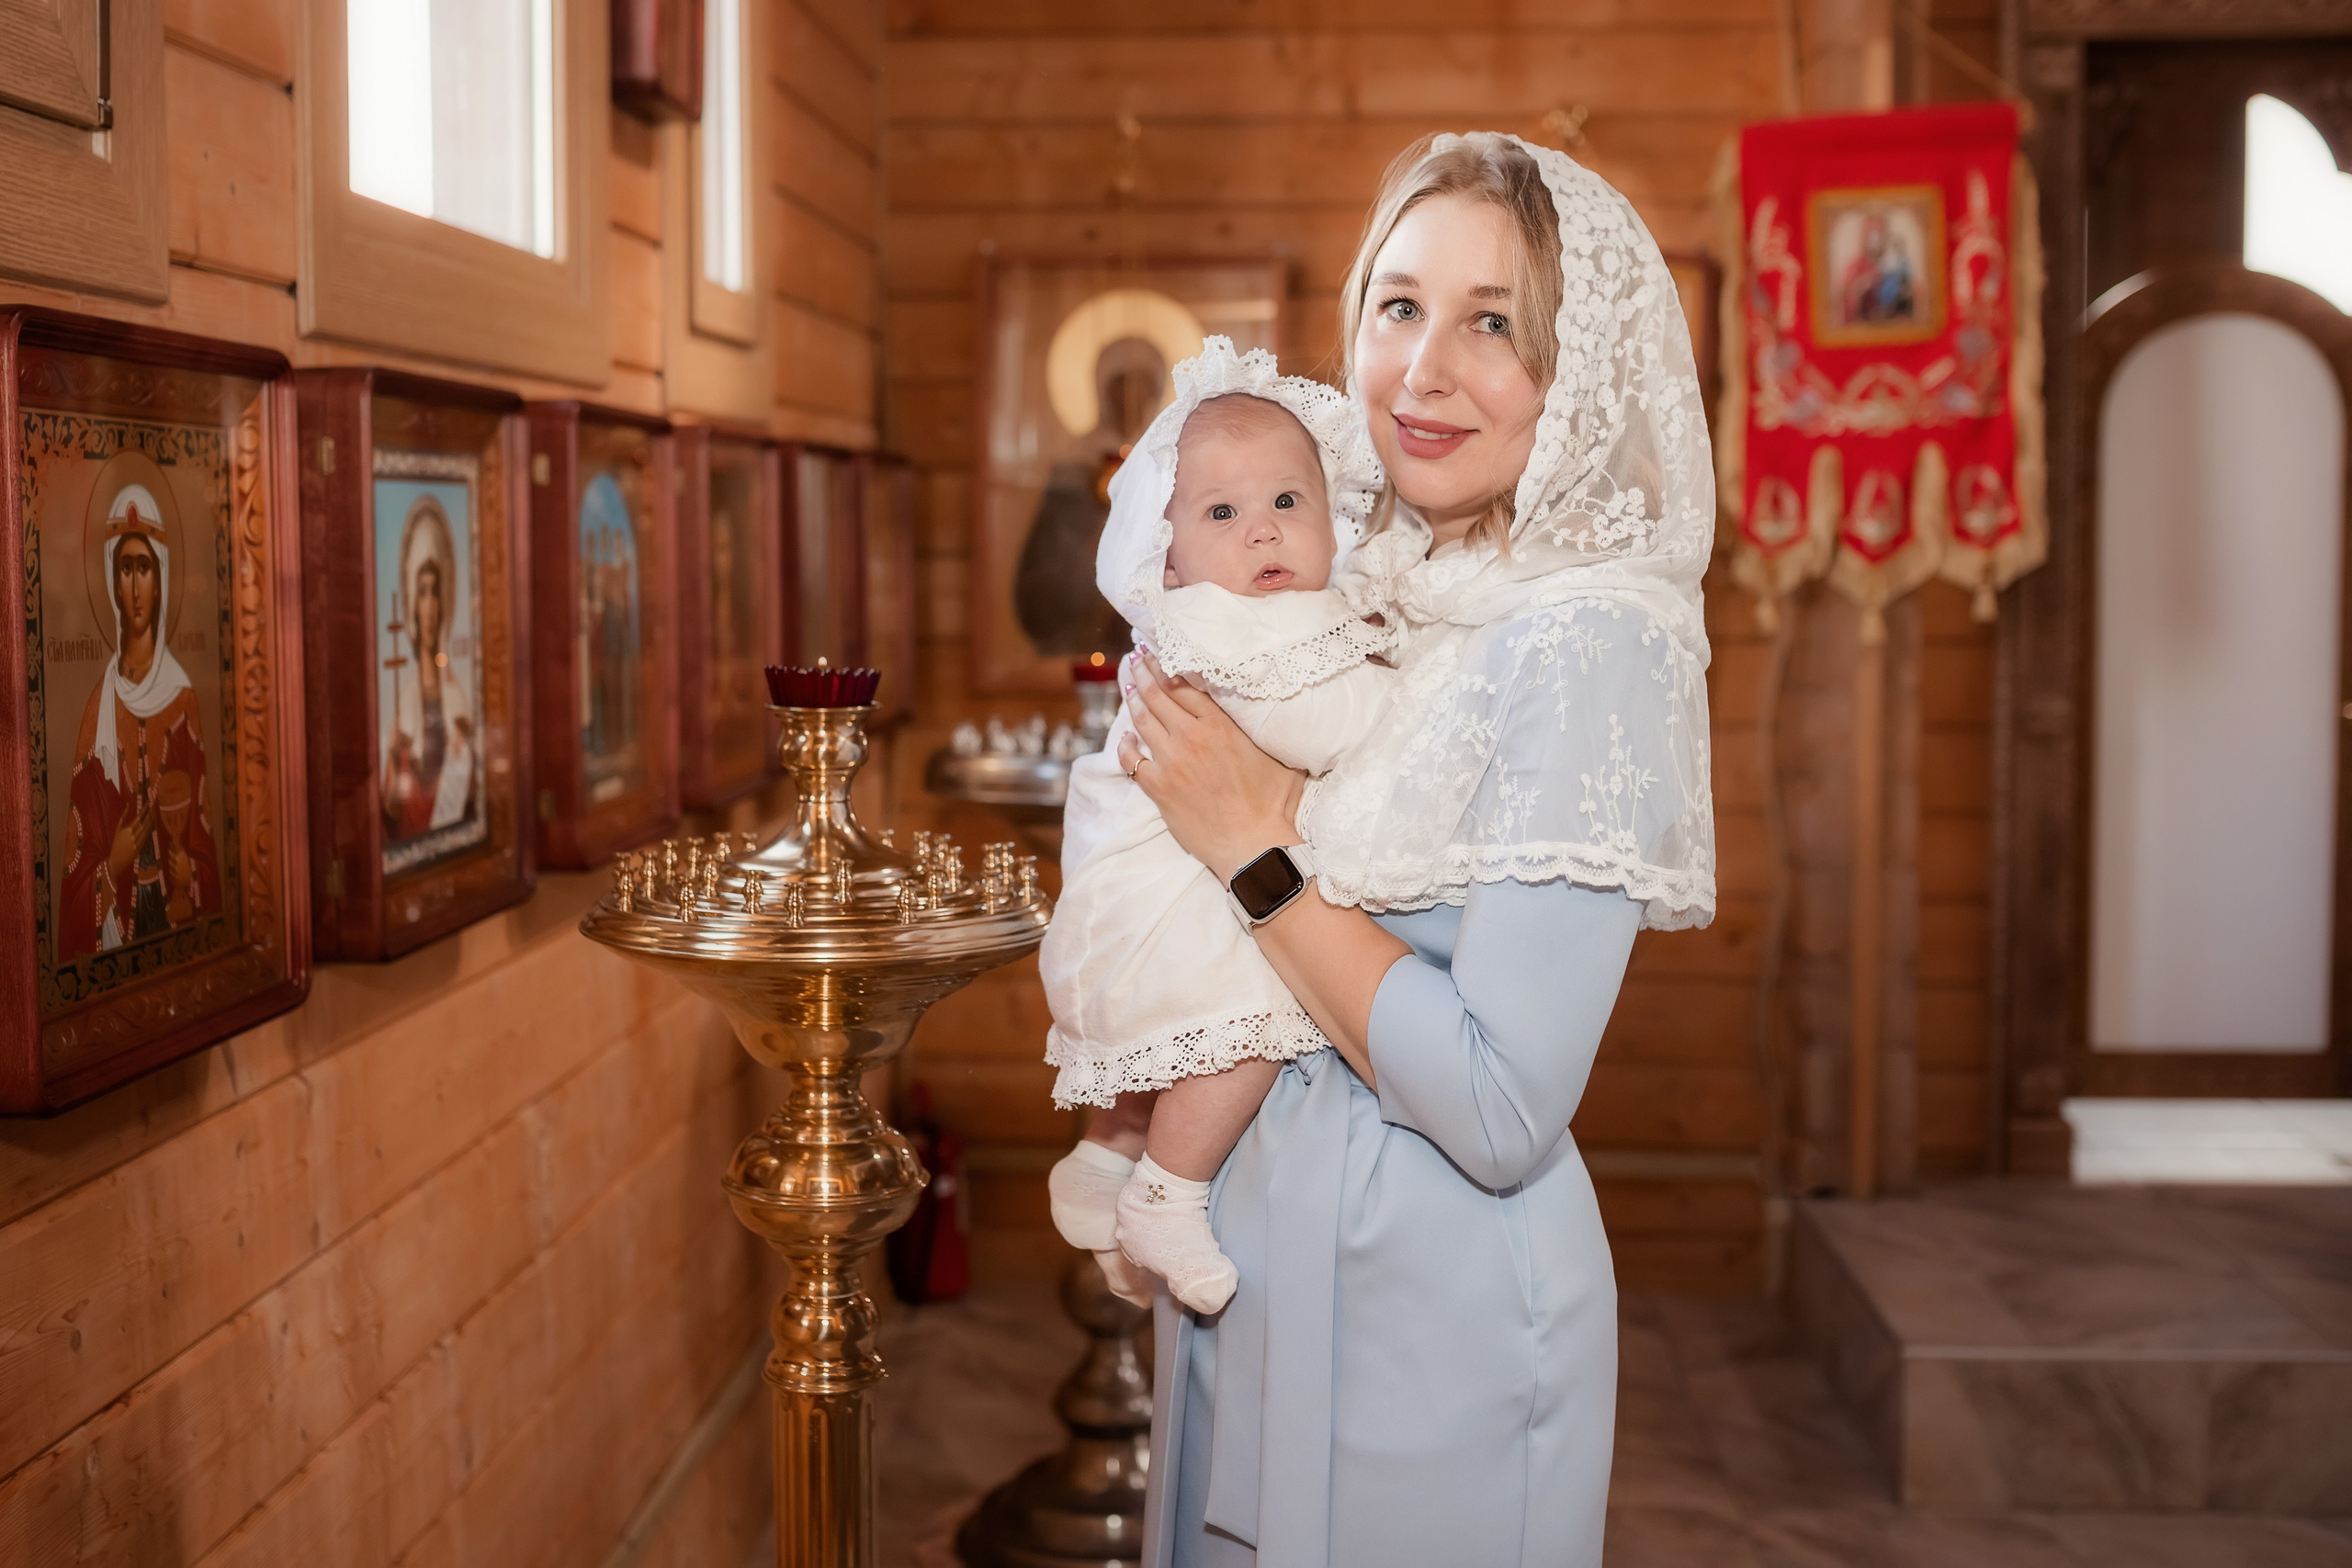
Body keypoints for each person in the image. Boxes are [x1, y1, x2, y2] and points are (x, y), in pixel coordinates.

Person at [1114, 132, 1716, 1567]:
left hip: (1431, 1324)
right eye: (1397, 305)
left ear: (1573, 372)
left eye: (1493, 322)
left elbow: (1505, 1103)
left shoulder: (1590, 638)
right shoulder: (1364, 574)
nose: (1423, 369)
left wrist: (1253, 848)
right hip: (1254, 1269)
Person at [1041, 338, 1391, 1316]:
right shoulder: (1221, 628)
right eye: (1221, 513)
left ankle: (1113, 1147)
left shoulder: (1254, 622)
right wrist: (1401, 706)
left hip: (1135, 889)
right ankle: (1167, 1190)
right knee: (1251, 1018)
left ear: (1334, 515)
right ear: (1171, 555)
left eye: (1287, 501)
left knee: (1188, 1023)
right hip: (1166, 894)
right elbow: (1311, 725)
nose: (1262, 535)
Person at [60, 485, 222, 958]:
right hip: (120, 933)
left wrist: (191, 876)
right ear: (112, 582)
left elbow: (207, 847)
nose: (134, 587)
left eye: (144, 568)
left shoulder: (183, 700)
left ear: (162, 579)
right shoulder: (99, 709)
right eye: (125, 568)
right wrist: (112, 865)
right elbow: (73, 878)